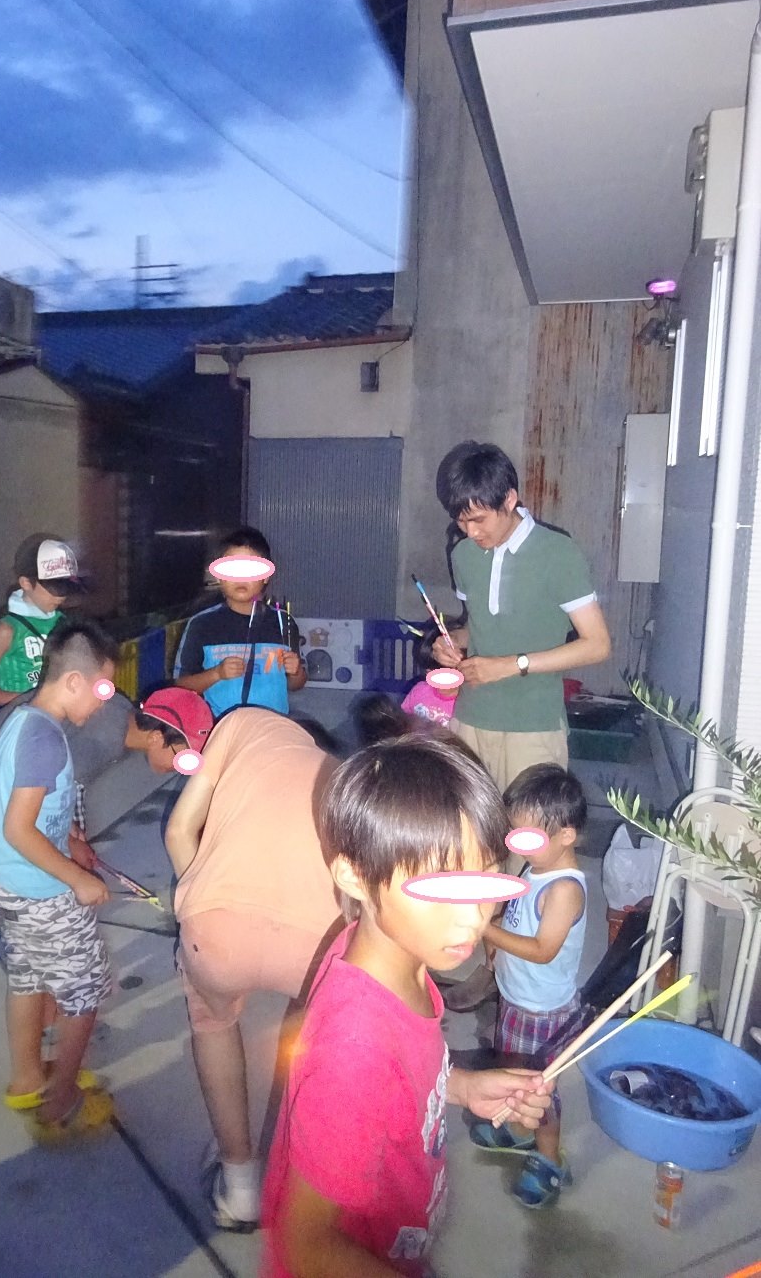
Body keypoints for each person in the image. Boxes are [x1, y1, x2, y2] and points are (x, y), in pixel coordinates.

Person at [261, 734, 553, 1277]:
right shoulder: (353, 1052)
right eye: (439, 890)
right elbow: (309, 1247)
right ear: (354, 874)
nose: (473, 918)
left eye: (484, 879)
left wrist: (459, 1087)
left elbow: (400, 1074)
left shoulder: (398, 957)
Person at [128, 691, 342, 1232]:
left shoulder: (241, 723)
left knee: (215, 1025)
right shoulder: (340, 775)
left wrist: (194, 905)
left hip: (217, 934)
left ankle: (241, 1187)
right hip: (317, 941)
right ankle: (311, 1183)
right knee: (319, 1042)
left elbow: (179, 830)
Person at [0, 619, 117, 1138]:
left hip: (7, 882)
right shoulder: (46, 740)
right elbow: (18, 828)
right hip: (38, 890)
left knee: (28, 977)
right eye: (103, 689)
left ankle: (27, 1079)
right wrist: (75, 877)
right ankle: (61, 1103)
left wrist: (69, 835)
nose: (104, 702)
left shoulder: (25, 720)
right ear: (74, 681)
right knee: (84, 990)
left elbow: (26, 808)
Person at [432, 442, 611, 791]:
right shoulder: (464, 555)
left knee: (527, 827)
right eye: (461, 521)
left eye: (479, 519)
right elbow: (479, 625)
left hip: (533, 726)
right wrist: (453, 640)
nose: (470, 532)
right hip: (469, 720)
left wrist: (512, 665)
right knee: (468, 824)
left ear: (510, 499)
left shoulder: (558, 553)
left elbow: (598, 645)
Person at [470, 763, 587, 1209]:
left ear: (566, 835)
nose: (517, 844)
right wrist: (496, 939)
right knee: (513, 1072)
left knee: (539, 1091)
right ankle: (519, 1128)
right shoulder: (534, 868)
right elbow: (515, 915)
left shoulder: (564, 890)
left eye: (528, 837)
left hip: (544, 1011)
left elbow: (542, 950)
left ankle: (550, 1158)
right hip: (518, 999)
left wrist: (485, 929)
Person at [174, 527, 305, 717]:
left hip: (272, 727)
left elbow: (296, 684)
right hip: (220, 727)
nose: (241, 577)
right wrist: (217, 674)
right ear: (218, 576)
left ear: (266, 576)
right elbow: (181, 685)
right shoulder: (201, 624)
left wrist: (296, 672)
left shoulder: (283, 622)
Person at [0, 687, 134, 826]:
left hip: (1, 756)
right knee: (13, 848)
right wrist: (71, 841)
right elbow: (30, 822)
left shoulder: (121, 707)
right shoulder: (108, 739)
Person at [0, 534, 85, 707]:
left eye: (66, 586)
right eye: (53, 587)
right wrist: (28, 701)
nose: (60, 596)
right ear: (26, 583)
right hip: (22, 716)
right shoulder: (7, 630)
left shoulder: (64, 622)